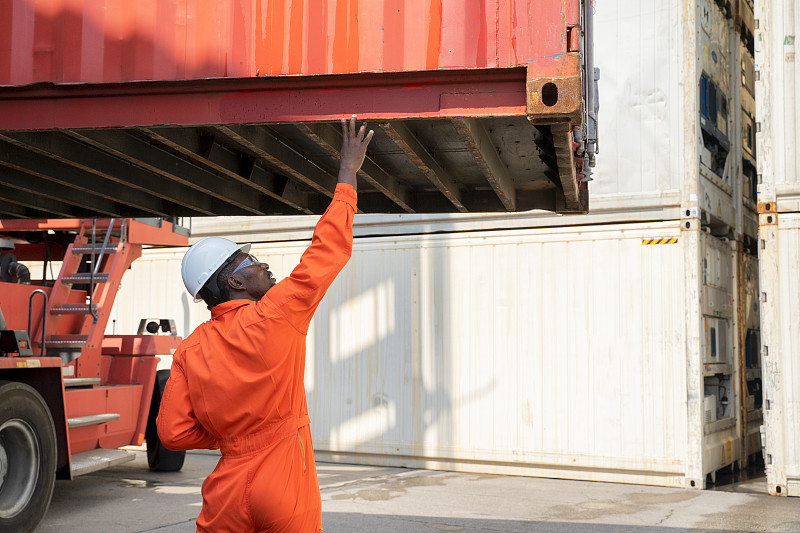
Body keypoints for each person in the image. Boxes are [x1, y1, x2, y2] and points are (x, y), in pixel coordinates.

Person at [157, 115, 373, 533]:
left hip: (226, 491)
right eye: (252, 262)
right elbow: (327, 251)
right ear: (233, 280)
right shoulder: (277, 312)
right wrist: (347, 175)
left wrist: (230, 435)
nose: (265, 265)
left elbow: (173, 433)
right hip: (283, 480)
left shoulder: (190, 348)